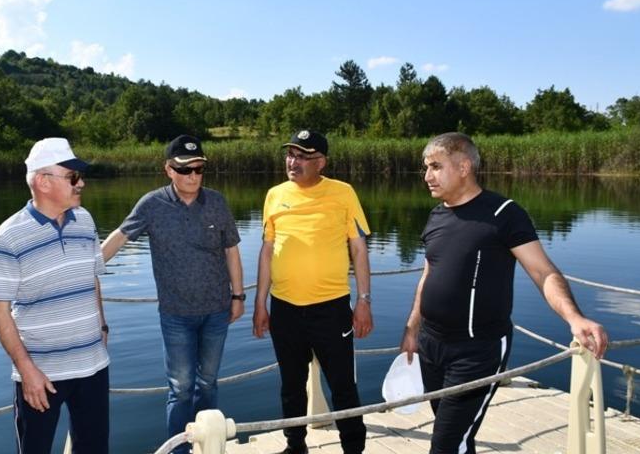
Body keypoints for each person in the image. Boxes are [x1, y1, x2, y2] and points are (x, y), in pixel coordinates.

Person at [401, 132, 608, 454]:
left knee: (445, 445)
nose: (427, 176)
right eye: (425, 167)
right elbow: (429, 273)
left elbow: (543, 272)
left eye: (436, 167)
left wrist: (574, 317)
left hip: (476, 351)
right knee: (456, 437)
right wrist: (413, 328)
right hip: (431, 345)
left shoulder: (503, 213)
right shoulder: (437, 215)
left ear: (464, 167)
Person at [101, 134, 244, 454]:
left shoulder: (217, 202)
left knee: (208, 383)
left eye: (198, 169)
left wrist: (238, 297)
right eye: (185, 169)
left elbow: (232, 251)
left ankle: (207, 447)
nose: (193, 176)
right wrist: (84, 269)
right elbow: (119, 238)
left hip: (217, 311)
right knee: (180, 389)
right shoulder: (152, 205)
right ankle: (179, 451)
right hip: (175, 315)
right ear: (169, 170)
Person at [0, 138, 109, 454]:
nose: (81, 183)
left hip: (93, 366)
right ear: (43, 182)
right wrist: (27, 370)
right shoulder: (9, 236)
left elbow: (92, 279)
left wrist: (102, 328)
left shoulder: (86, 220)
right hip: (40, 374)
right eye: (72, 177)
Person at [253, 129, 372, 454]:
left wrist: (363, 300)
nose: (293, 162)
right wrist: (260, 303)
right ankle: (296, 446)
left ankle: (353, 450)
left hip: (331, 309)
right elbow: (267, 250)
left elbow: (359, 249)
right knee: (291, 386)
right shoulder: (274, 195)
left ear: (321, 162)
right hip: (284, 309)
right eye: (290, 154)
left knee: (343, 387)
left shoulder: (343, 193)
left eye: (303, 156)